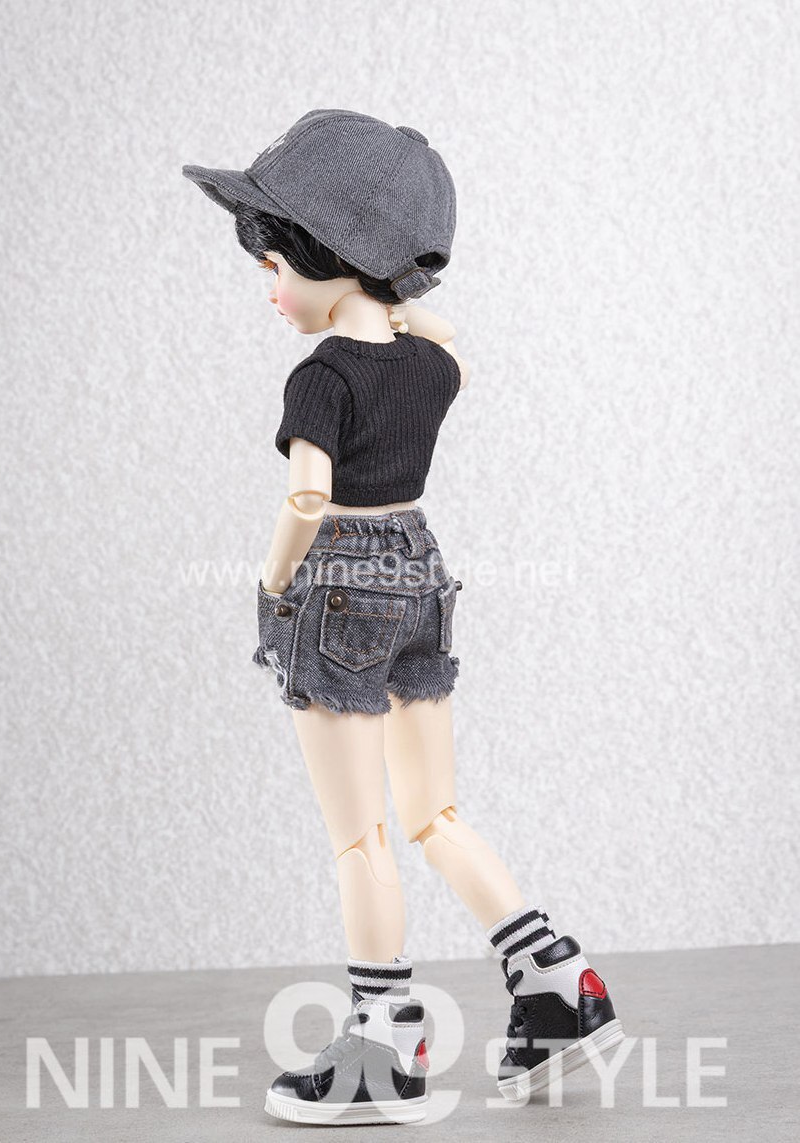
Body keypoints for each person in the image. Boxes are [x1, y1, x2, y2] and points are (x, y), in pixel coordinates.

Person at [182, 109, 624, 1125]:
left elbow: (306, 495)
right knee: (436, 814)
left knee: (361, 837)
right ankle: (557, 982)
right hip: (421, 568)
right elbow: (445, 337)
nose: (269, 287)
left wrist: (271, 583)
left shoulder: (319, 376)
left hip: (337, 578)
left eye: (274, 263)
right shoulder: (430, 368)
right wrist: (392, 295)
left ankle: (384, 1044)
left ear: (327, 257)